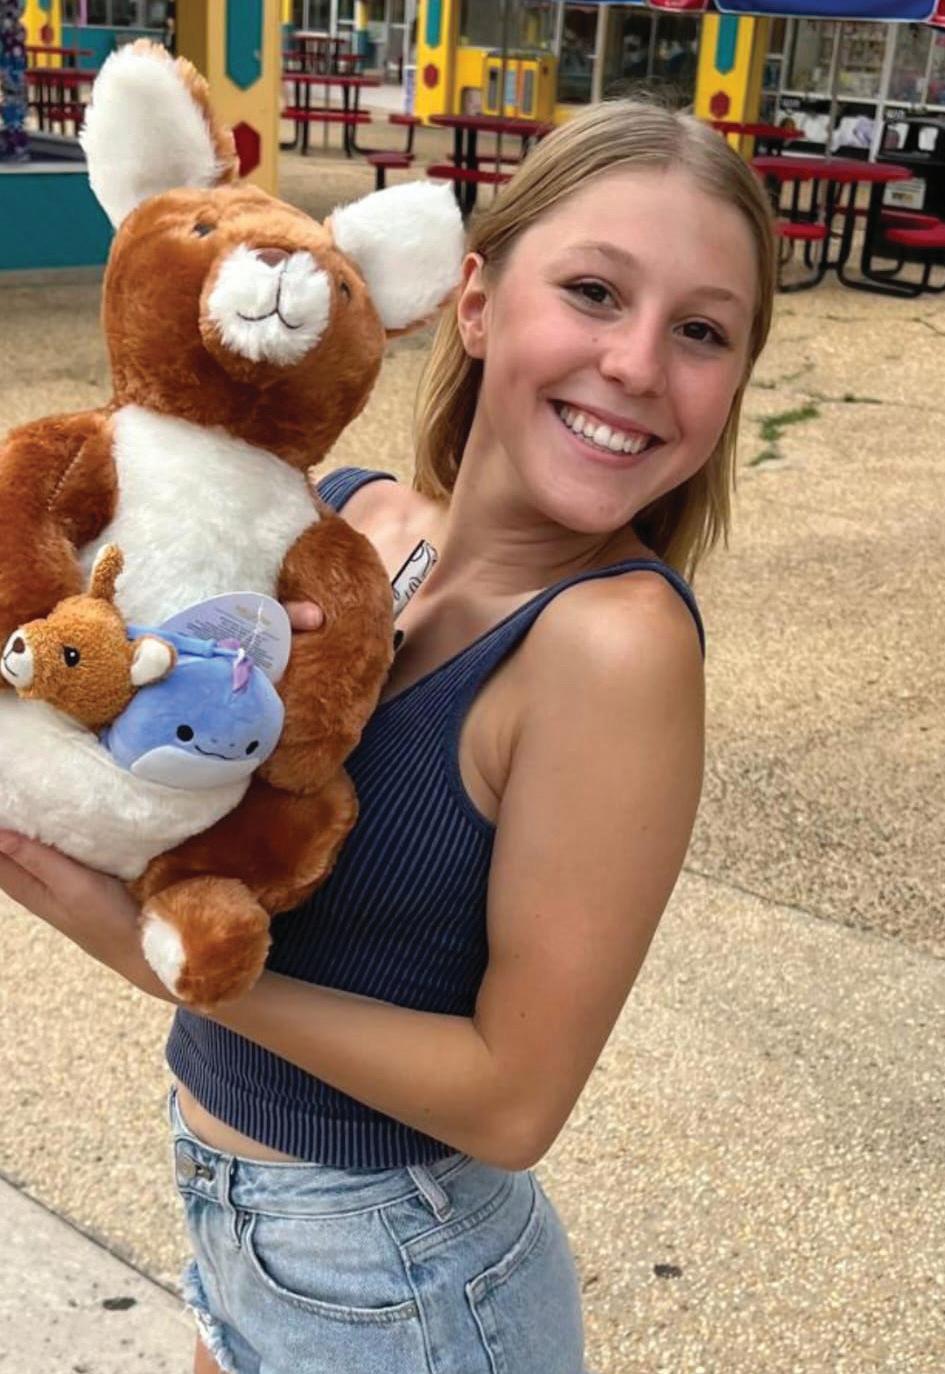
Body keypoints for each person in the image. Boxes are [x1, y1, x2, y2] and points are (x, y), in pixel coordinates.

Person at [0, 100, 775, 1374]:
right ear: (474, 303)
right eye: (594, 292)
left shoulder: (612, 646)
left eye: (702, 331)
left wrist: (152, 955)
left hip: (399, 1282)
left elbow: (513, 1100)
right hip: (239, 1228)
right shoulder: (348, 522)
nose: (638, 363)